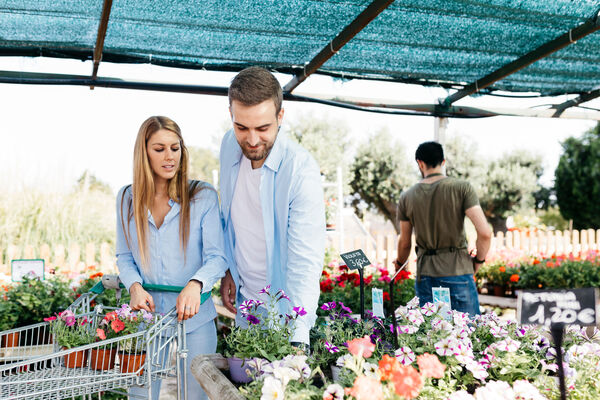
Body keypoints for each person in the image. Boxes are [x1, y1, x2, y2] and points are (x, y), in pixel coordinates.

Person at [116, 116, 227, 400]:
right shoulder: (127, 198)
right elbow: (125, 256)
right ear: (144, 152)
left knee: (197, 394)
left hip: (196, 319)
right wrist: (135, 287)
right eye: (159, 149)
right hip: (147, 319)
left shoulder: (202, 196)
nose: (169, 157)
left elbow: (217, 256)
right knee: (140, 394)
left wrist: (195, 284)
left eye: (175, 148)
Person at [218, 67, 325, 347]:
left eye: (263, 128)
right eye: (242, 127)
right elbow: (233, 216)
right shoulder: (229, 145)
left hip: (284, 313)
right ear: (231, 114)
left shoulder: (300, 171)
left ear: (280, 116)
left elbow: (305, 260)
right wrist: (230, 269)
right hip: (244, 303)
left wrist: (298, 339)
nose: (252, 140)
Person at [394, 141, 492, 316]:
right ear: (443, 161)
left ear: (420, 163)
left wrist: (400, 264)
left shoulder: (407, 197)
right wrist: (478, 262)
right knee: (468, 336)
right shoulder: (462, 188)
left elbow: (404, 242)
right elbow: (485, 232)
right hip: (458, 271)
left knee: (431, 338)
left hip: (426, 274)